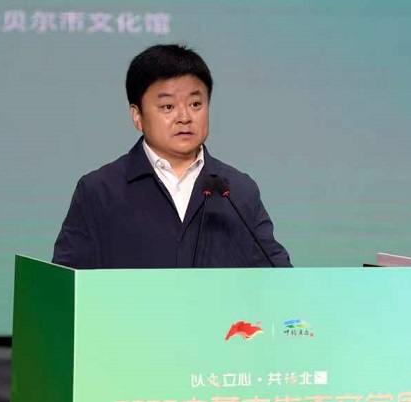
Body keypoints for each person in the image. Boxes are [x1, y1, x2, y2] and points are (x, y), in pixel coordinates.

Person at [51, 44, 293, 269]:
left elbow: (279, 276)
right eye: (168, 107)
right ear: (137, 116)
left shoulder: (237, 191)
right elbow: (65, 283)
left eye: (195, 104)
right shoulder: (99, 191)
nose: (184, 117)